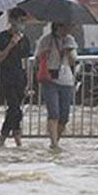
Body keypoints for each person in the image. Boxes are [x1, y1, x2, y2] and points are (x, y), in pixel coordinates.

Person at [35, 22, 77, 150]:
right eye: (67, 26)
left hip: (66, 80)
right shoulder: (46, 40)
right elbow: (37, 58)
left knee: (64, 116)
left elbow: (73, 60)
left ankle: (56, 140)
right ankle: (54, 143)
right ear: (59, 26)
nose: (69, 29)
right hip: (50, 79)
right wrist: (45, 53)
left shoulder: (70, 40)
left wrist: (69, 52)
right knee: (53, 112)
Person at [0, 7, 31, 147]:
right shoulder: (1, 36)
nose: (22, 24)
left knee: (15, 109)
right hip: (7, 78)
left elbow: (26, 61)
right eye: (20, 21)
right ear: (12, 21)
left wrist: (28, 81)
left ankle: (6, 138)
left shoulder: (25, 39)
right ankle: (14, 137)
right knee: (14, 107)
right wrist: (11, 45)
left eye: (23, 21)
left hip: (20, 78)